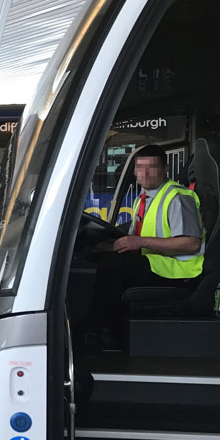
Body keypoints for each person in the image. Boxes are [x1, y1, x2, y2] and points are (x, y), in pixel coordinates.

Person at [88, 144, 204, 344]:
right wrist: (106, 246)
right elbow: (137, 240)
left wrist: (139, 241)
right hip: (157, 262)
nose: (145, 173)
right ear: (134, 171)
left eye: (152, 167)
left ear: (165, 169)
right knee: (101, 259)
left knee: (113, 267)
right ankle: (108, 329)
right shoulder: (143, 200)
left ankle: (97, 330)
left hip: (181, 272)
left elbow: (191, 244)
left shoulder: (178, 197)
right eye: (140, 167)